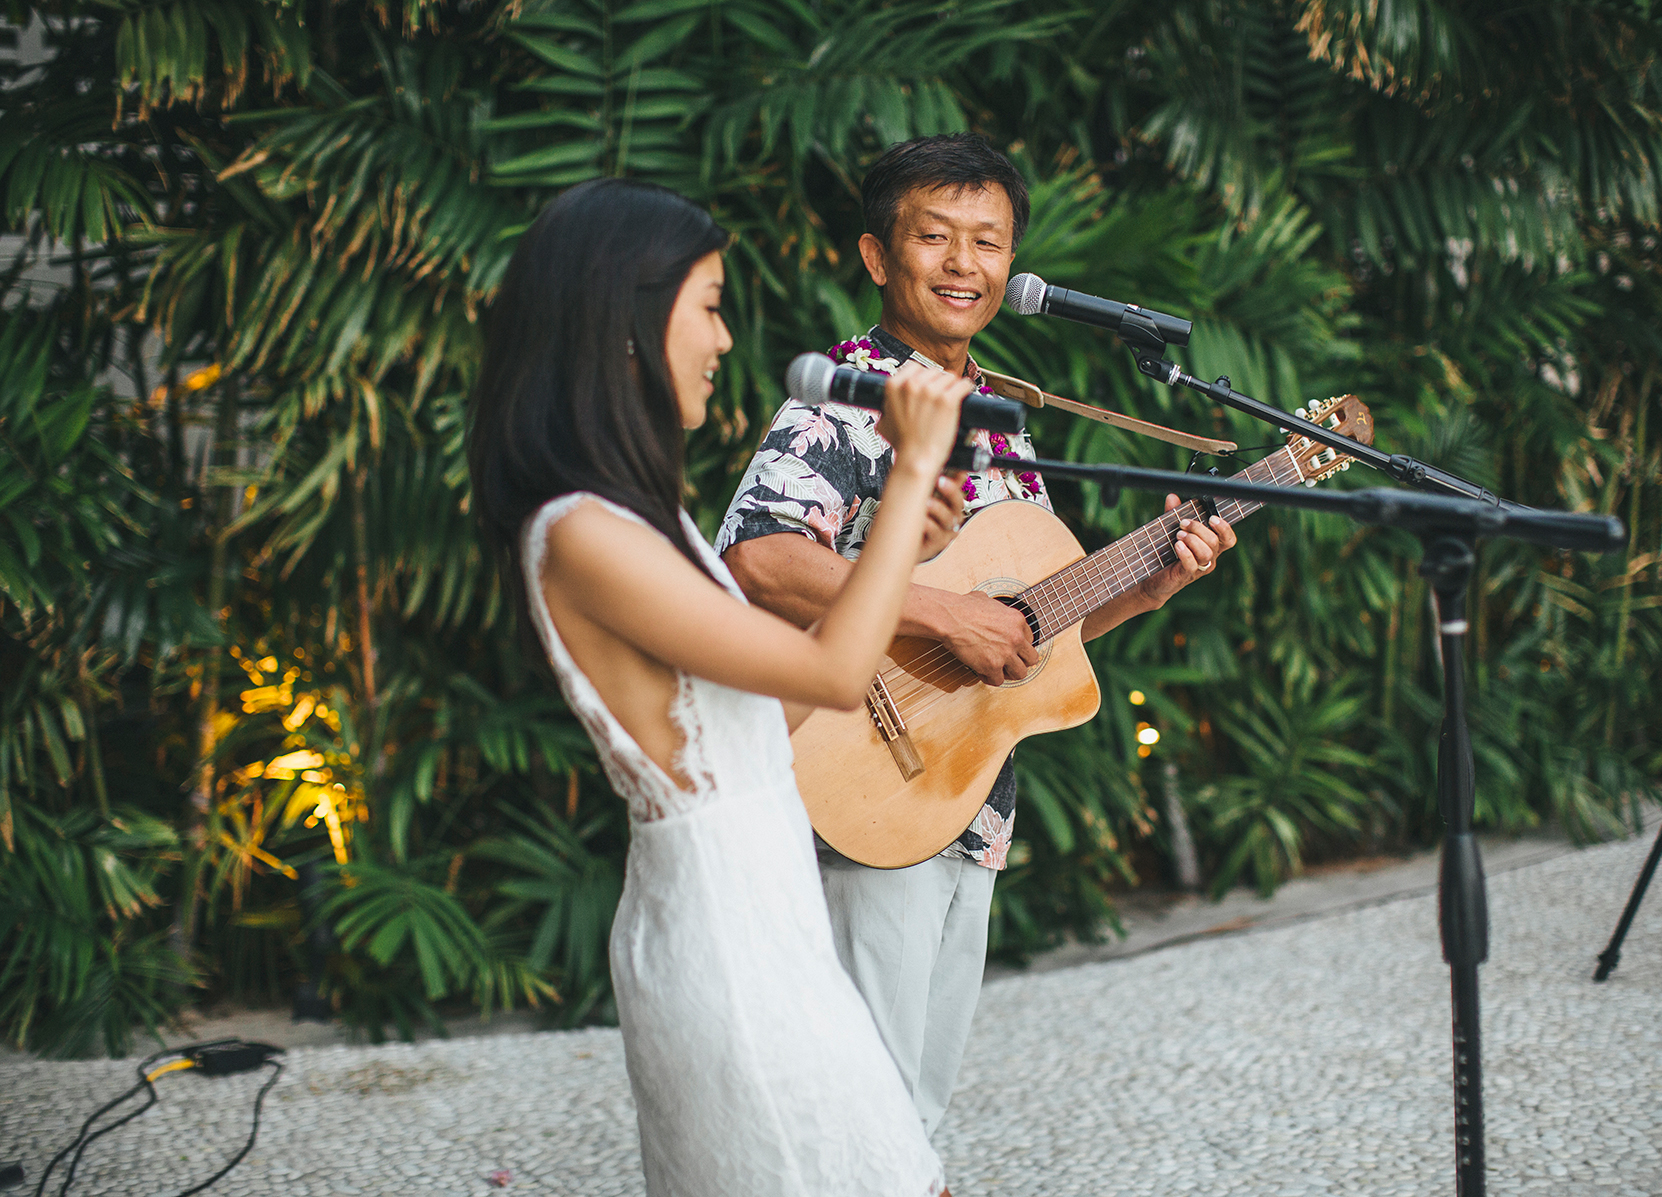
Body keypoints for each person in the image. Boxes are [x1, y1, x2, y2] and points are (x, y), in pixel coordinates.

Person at [717, 133, 1238, 1139]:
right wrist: (936, 611)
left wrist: (1151, 583)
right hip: (862, 779)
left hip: (962, 791)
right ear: (878, 257)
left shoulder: (1000, 417)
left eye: (988, 242)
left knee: (911, 1101)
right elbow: (759, 560)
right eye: (935, 237)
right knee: (852, 1104)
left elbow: (1029, 624)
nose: (964, 264)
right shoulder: (843, 396)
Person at [468, 177, 970, 1197]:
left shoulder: (638, 522)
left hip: (764, 925)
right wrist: (910, 467)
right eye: (707, 304)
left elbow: (766, 716)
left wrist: (889, 557)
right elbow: (833, 678)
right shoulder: (579, 533)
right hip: (724, 952)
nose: (725, 339)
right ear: (625, 322)